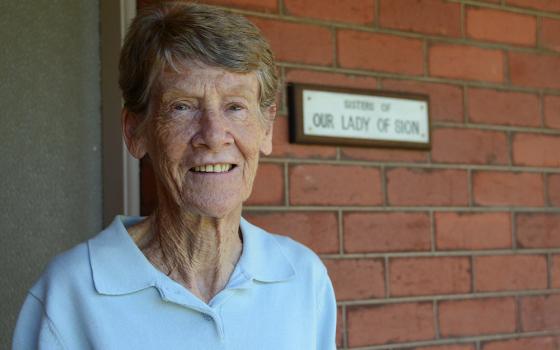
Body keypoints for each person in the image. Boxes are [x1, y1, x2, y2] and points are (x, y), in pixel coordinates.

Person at [12, 2, 336, 349]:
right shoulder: (68, 293)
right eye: (182, 107)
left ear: (266, 128)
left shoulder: (303, 277)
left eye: (235, 107)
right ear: (136, 131)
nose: (213, 135)